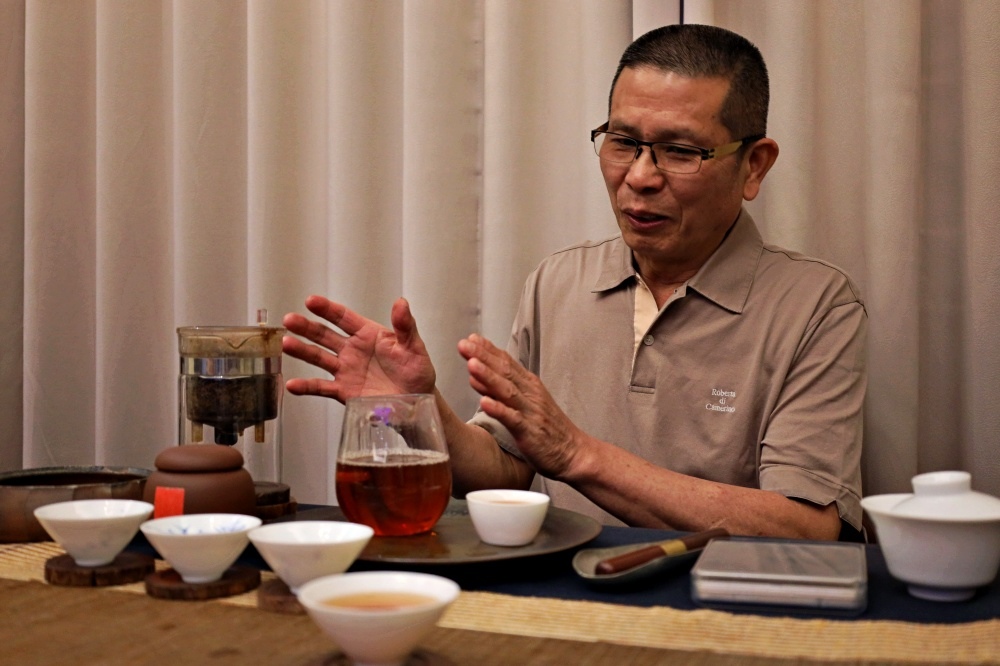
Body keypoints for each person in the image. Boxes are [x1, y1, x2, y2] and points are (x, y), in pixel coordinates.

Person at [282, 24, 867, 541]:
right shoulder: (560, 281)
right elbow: (507, 466)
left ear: (754, 165)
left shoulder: (816, 306)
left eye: (680, 151)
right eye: (623, 142)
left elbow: (808, 526)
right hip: (561, 595)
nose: (639, 177)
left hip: (722, 611)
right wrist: (415, 410)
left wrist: (577, 454)